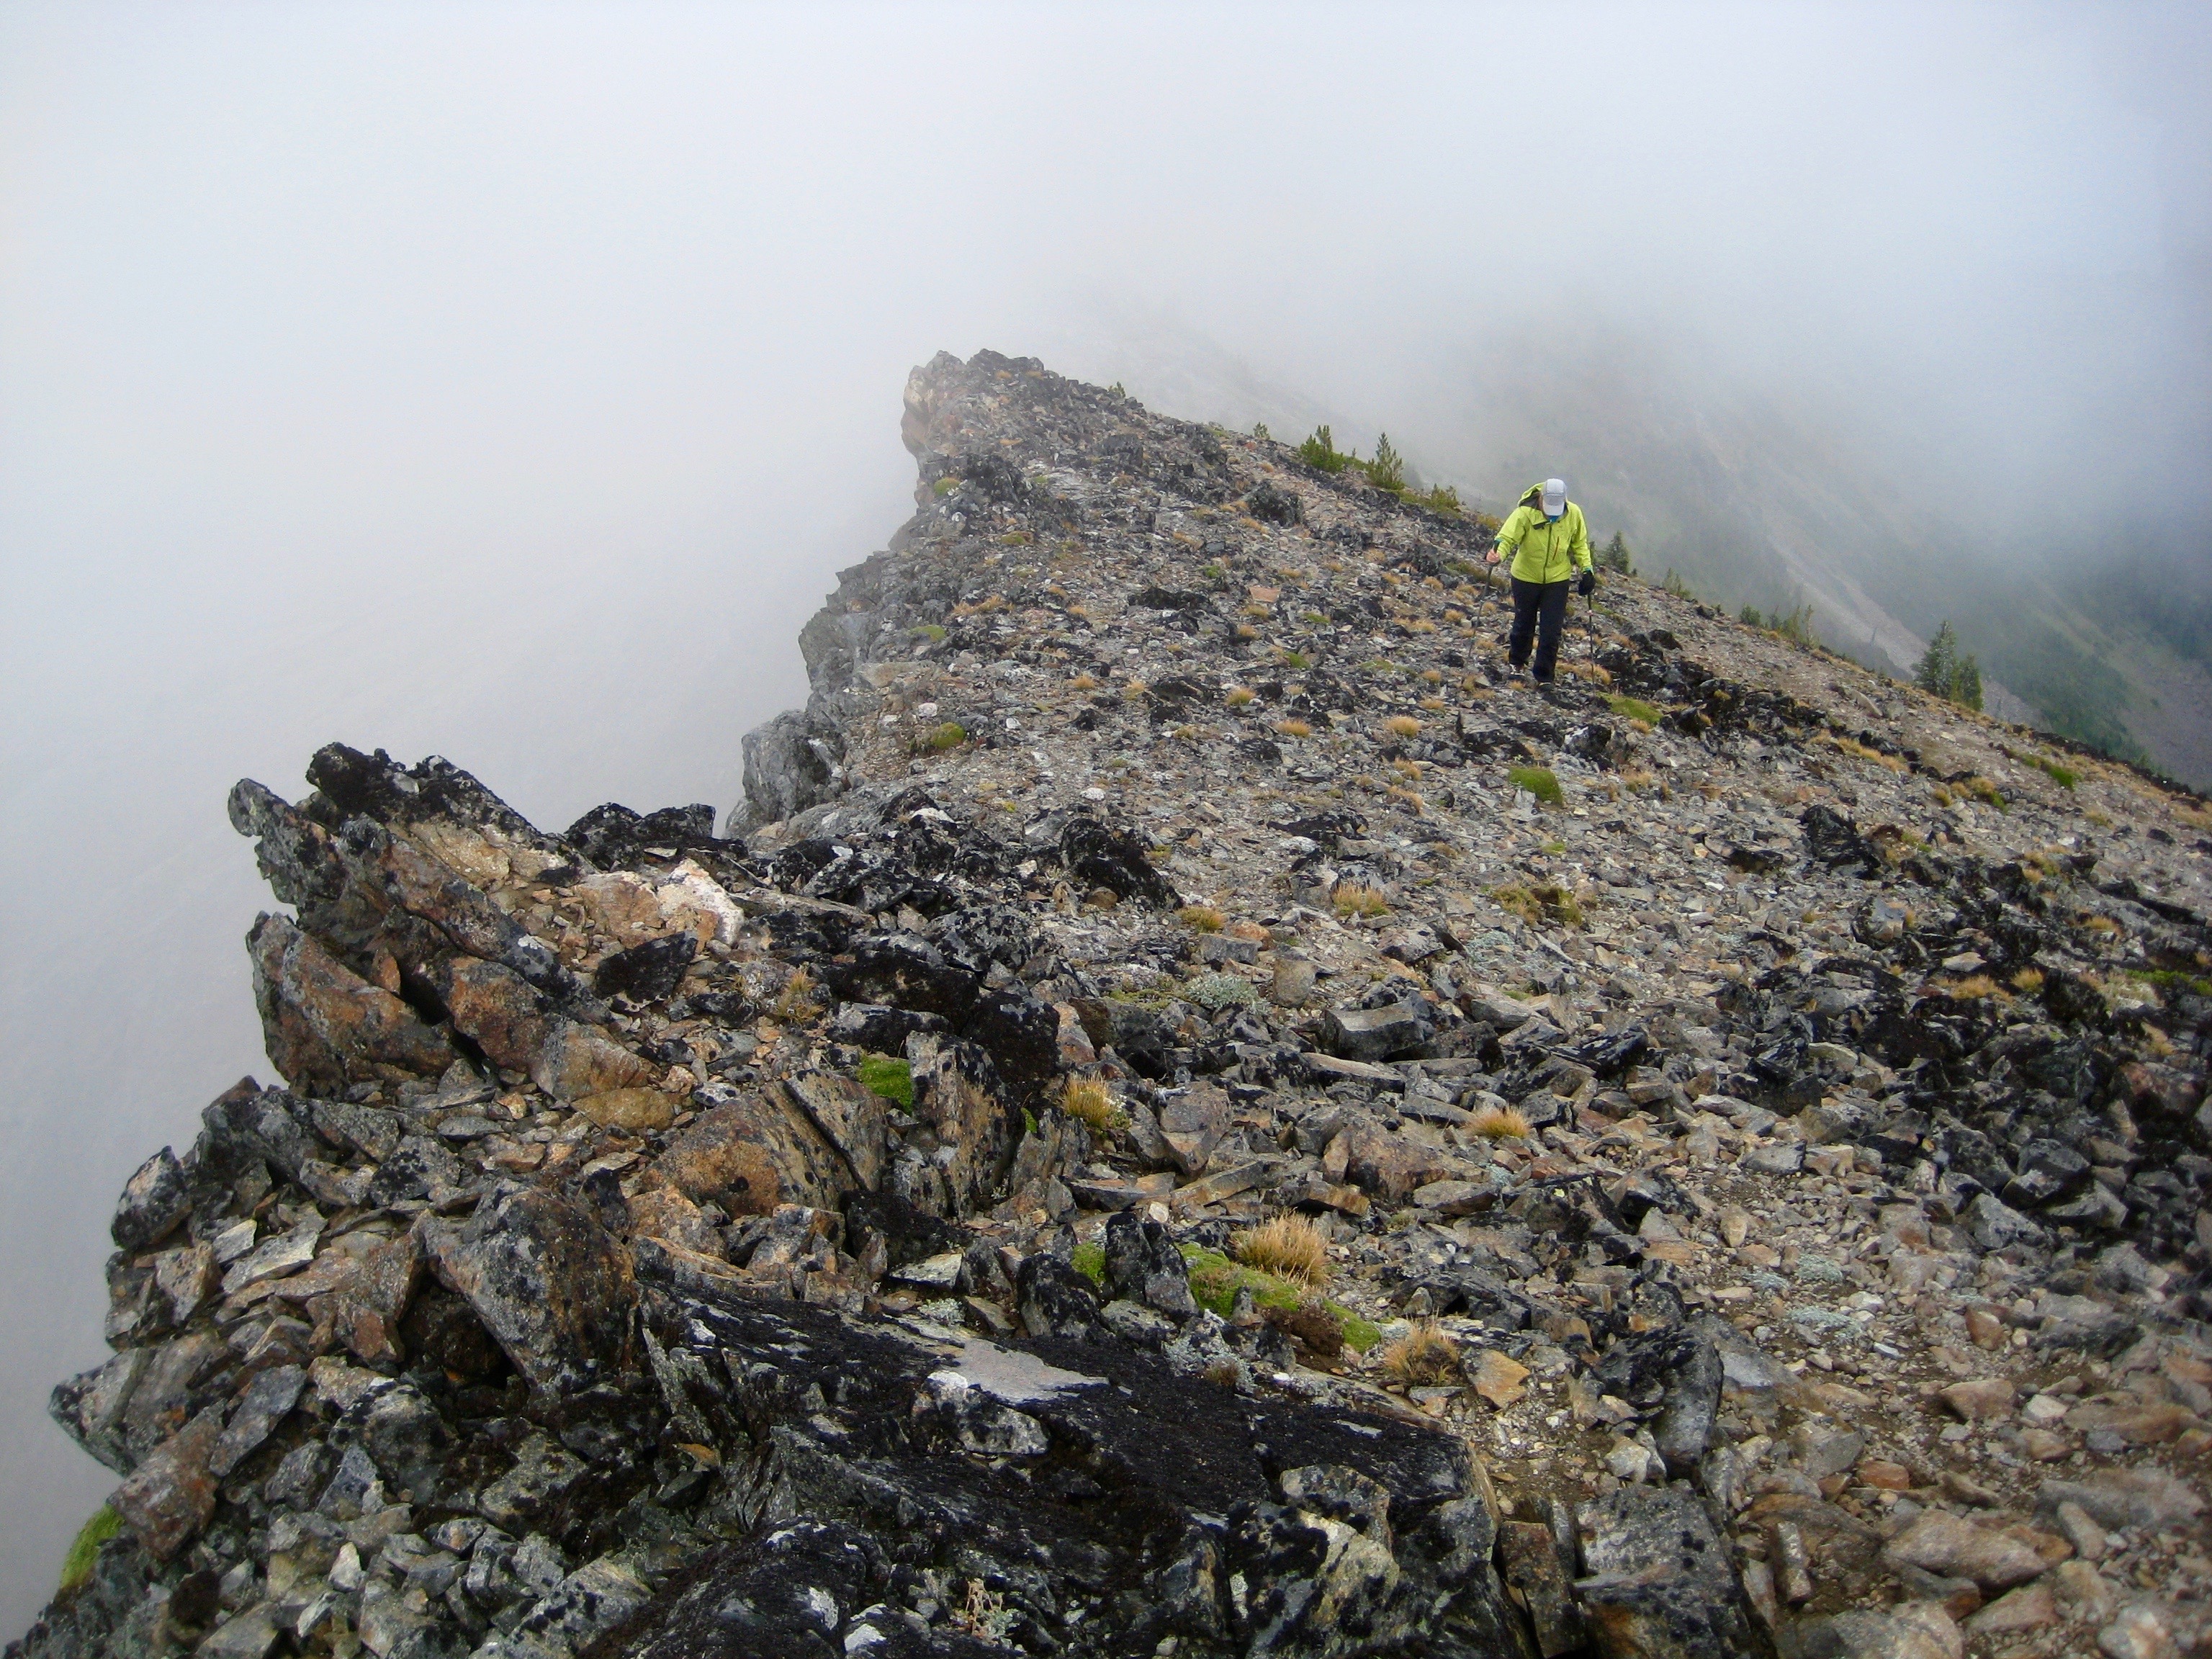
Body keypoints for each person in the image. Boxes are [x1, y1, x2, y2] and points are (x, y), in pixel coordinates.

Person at [1488, 477, 1594, 685]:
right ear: (1541, 498)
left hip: (1557, 579)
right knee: (1524, 623)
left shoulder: (1574, 514)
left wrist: (1587, 570)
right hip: (1525, 577)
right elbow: (1507, 538)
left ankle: (1544, 676)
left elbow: (1579, 544)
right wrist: (1497, 555)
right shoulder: (1525, 513)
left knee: (1551, 631)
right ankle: (1517, 663)